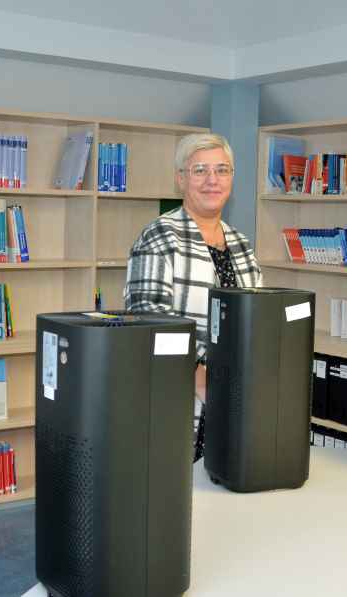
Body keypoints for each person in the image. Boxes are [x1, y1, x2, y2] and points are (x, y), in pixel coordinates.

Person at [125, 133, 263, 460]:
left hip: (233, 397)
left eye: (222, 170)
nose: (212, 180)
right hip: (177, 397)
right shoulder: (159, 235)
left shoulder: (241, 245)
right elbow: (148, 320)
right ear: (181, 179)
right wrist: (202, 382)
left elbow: (258, 317)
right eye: (200, 170)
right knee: (177, 498)